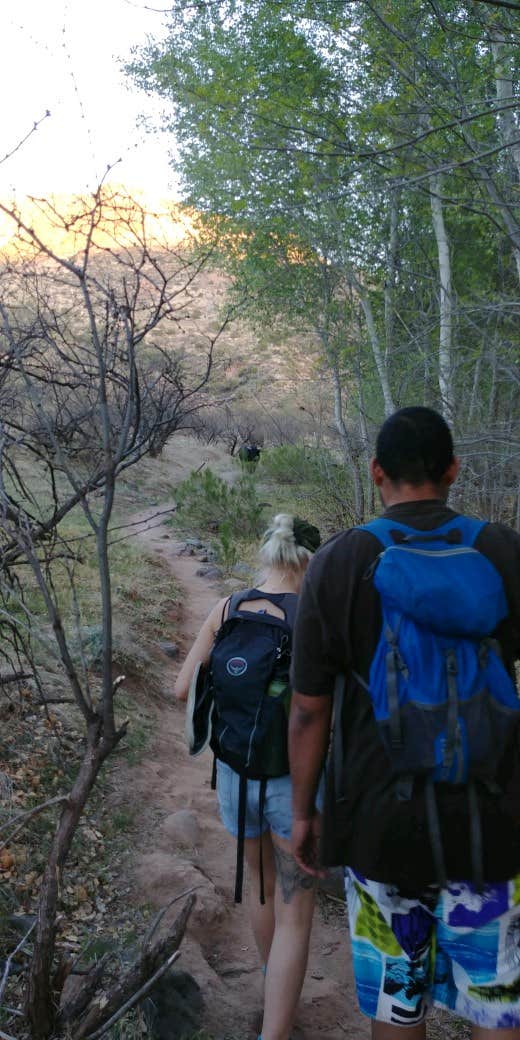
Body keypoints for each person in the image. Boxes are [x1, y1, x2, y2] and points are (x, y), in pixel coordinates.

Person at [288, 406, 520, 1040]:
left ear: (375, 473)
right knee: (496, 1002)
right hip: (490, 823)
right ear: (452, 470)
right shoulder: (501, 550)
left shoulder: (339, 561)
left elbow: (309, 708)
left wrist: (305, 812)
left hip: (379, 826)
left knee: (398, 1000)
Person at [174, 513, 322, 1040]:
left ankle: (272, 990)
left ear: (267, 556)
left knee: (259, 885)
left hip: (236, 775)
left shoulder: (227, 607)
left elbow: (181, 687)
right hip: (294, 782)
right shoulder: (313, 617)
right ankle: (276, 1030)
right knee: (296, 907)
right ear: (311, 561)